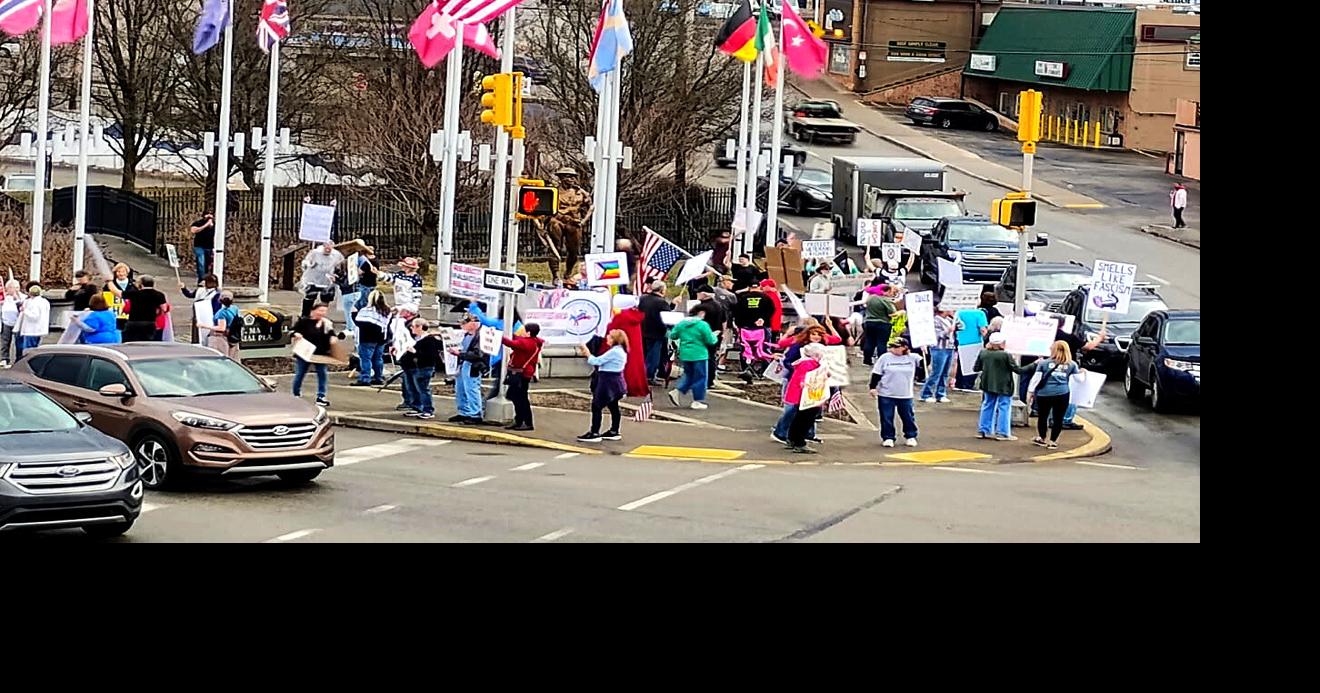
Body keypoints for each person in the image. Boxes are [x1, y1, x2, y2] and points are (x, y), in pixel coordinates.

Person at [1028, 340, 1084, 449]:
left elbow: (1036, 379)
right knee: (1058, 418)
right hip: (1062, 393)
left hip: (1044, 394)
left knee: (1043, 417)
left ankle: (1042, 437)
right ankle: (1053, 441)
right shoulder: (1072, 364)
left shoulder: (1043, 363)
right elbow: (1079, 380)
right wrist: (1083, 372)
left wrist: (1030, 392)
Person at [973, 332, 1029, 441]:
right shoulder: (1006, 355)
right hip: (1004, 385)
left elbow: (976, 368)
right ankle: (1002, 432)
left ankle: (984, 430)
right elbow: (1018, 370)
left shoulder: (983, 353)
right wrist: (1034, 365)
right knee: (1004, 407)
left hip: (987, 384)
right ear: (1001, 343)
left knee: (987, 405)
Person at [577, 329, 628, 442]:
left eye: (610, 337)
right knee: (613, 405)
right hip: (615, 380)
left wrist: (587, 352)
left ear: (615, 340)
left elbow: (596, 361)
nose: (607, 339)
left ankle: (595, 432)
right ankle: (614, 430)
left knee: (597, 405)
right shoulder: (620, 350)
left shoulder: (614, 351)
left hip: (607, 381)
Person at [543, 167, 592, 286]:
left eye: (573, 177)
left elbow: (591, 207)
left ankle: (568, 274)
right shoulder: (554, 191)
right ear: (561, 178)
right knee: (555, 248)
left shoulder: (580, 192)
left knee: (574, 251)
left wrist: (584, 221)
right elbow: (546, 208)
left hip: (574, 223)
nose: (571, 179)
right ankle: (555, 275)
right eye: (568, 177)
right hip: (558, 221)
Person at [869, 337, 922, 448]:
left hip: (905, 393)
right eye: (891, 347)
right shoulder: (885, 358)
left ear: (904, 347)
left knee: (907, 416)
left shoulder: (913, 358)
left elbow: (924, 364)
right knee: (886, 416)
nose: (892, 349)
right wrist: (873, 387)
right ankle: (888, 437)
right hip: (886, 393)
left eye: (896, 347)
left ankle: (910, 435)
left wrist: (926, 352)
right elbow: (877, 373)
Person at [667, 305, 718, 410]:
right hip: (699, 354)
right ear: (701, 313)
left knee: (689, 375)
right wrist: (715, 335)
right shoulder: (702, 325)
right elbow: (710, 340)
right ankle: (697, 401)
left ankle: (677, 391)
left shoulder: (681, 324)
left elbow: (673, 335)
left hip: (685, 353)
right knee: (701, 377)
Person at [784, 343, 827, 454]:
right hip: (807, 396)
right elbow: (805, 377)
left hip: (801, 395)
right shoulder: (810, 364)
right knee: (806, 419)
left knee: (799, 417)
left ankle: (792, 439)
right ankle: (799, 442)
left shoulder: (805, 362)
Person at [603, 294, 649, 398]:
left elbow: (611, 327)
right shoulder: (636, 315)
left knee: (624, 367)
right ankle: (637, 387)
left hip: (622, 344)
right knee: (635, 367)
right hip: (634, 345)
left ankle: (623, 387)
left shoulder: (621, 316)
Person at [291, 303, 336, 406]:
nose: (322, 313)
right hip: (304, 352)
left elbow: (332, 334)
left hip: (320, 353)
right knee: (300, 373)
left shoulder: (327, 323)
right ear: (313, 311)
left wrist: (333, 338)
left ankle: (321, 396)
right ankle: (296, 394)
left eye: (324, 311)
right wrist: (296, 334)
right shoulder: (304, 322)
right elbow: (293, 331)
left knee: (322, 374)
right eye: (320, 310)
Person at [502, 323, 544, 431]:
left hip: (521, 374)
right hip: (523, 373)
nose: (522, 332)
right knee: (516, 397)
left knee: (521, 399)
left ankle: (527, 422)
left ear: (529, 332)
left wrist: (498, 335)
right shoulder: (534, 342)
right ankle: (519, 420)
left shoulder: (527, 343)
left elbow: (511, 343)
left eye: (524, 330)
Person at [449, 316, 488, 424]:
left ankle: (475, 414)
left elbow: (478, 354)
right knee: (460, 388)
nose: (462, 326)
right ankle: (464, 412)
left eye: (464, 323)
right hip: (463, 363)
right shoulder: (466, 335)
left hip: (473, 365)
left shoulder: (480, 336)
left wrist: (459, 353)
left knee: (471, 389)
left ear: (474, 323)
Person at [920, 304, 960, 403]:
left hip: (949, 347)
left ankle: (940, 393)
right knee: (936, 372)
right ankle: (926, 394)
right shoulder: (935, 321)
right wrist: (948, 330)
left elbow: (962, 326)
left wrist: (956, 318)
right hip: (939, 348)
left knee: (945, 373)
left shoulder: (950, 320)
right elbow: (936, 335)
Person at [406, 319, 443, 420]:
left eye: (413, 326)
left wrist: (414, 352)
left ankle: (428, 409)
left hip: (425, 367)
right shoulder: (419, 339)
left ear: (420, 327)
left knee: (423, 389)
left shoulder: (429, 340)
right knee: (415, 388)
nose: (411, 328)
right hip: (418, 367)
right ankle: (418, 407)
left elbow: (429, 356)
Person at [352, 290, 391, 386]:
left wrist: (353, 314)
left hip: (367, 338)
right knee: (378, 358)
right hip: (382, 338)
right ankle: (379, 377)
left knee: (366, 359)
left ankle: (365, 378)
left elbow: (359, 322)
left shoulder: (366, 310)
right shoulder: (387, 311)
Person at [638, 280, 673, 384]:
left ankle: (642, 375)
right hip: (656, 332)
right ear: (662, 290)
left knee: (644, 355)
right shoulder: (661, 302)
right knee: (653, 356)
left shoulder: (642, 299)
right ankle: (649, 376)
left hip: (642, 330)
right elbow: (668, 318)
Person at [300, 241, 344, 317]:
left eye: (330, 248)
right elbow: (305, 262)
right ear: (323, 246)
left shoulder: (336, 254)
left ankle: (320, 315)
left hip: (327, 280)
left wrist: (337, 274)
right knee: (310, 297)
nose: (328, 250)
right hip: (313, 279)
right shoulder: (315, 252)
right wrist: (309, 264)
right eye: (326, 248)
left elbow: (341, 264)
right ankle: (305, 315)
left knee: (326, 298)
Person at [695, 287, 726, 388]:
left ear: (704, 294)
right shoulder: (719, 305)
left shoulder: (701, 307)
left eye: (698, 292)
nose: (697, 294)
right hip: (716, 335)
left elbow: (697, 322)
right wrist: (723, 333)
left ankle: (701, 380)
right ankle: (710, 380)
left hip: (703, 336)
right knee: (711, 358)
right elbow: (724, 321)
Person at [953, 305, 989, 389]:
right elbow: (983, 330)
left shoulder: (959, 312)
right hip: (975, 342)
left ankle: (959, 384)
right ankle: (968, 385)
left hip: (961, 341)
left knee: (961, 364)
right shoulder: (980, 313)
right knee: (972, 366)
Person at [122, 275, 166, 343]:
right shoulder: (159, 295)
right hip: (149, 322)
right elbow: (164, 308)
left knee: (129, 342)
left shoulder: (134, 293)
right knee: (147, 342)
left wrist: (109, 282)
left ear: (141, 284)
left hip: (133, 322)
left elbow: (118, 293)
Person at [861, 282, 897, 365]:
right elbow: (892, 313)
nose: (891, 294)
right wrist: (901, 312)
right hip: (883, 324)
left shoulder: (871, 298)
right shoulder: (885, 300)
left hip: (869, 322)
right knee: (881, 343)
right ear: (886, 291)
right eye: (890, 292)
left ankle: (867, 360)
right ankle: (882, 361)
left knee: (869, 341)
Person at [180, 274, 221, 344]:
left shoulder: (216, 294)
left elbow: (216, 308)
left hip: (208, 318)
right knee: (196, 333)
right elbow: (190, 295)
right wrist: (183, 288)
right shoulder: (200, 290)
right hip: (198, 315)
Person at [16, 284, 50, 358]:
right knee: (34, 348)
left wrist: (25, 310)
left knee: (28, 350)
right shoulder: (45, 302)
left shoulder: (35, 303)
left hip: (31, 330)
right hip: (39, 330)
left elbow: (34, 316)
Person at [206, 291, 241, 359]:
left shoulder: (221, 313)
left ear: (220, 300)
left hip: (221, 338)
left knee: (220, 359)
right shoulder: (235, 308)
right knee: (233, 359)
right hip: (233, 336)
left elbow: (221, 328)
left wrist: (204, 325)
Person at [103, 262, 132, 331]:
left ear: (127, 273)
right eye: (118, 271)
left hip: (128, 316)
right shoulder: (108, 286)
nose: (121, 274)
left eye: (123, 271)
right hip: (114, 314)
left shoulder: (133, 286)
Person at [1, 279, 23, 366]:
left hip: (18, 323)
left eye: (16, 287)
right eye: (8, 288)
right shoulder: (5, 297)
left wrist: (17, 299)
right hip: (6, 322)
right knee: (5, 342)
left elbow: (22, 308)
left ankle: (19, 359)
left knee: (19, 343)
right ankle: (4, 359)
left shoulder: (23, 297)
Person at [189, 212, 216, 281]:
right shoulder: (198, 223)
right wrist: (206, 225)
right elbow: (193, 230)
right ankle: (202, 280)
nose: (209, 216)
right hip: (199, 246)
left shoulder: (215, 225)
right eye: (207, 214)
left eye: (211, 214)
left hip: (209, 247)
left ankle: (205, 279)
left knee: (207, 265)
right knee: (201, 263)